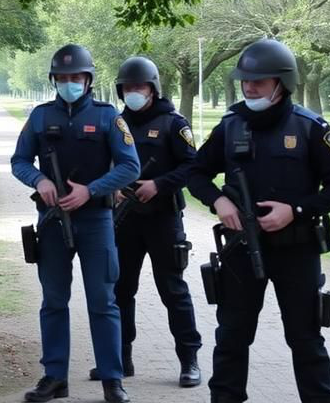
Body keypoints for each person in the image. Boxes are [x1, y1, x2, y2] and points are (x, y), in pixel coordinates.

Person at [186, 38, 330, 403]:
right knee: (231, 337)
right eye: (245, 81)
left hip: (297, 250)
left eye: (258, 81)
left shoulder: (310, 127)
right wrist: (218, 201)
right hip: (240, 249)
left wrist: (295, 211)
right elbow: (195, 173)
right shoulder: (230, 126)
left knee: (306, 340)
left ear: (282, 82)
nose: (249, 87)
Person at [11, 44, 141, 403]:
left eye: (76, 77)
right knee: (54, 301)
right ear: (54, 80)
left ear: (88, 80)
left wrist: (91, 190)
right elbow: (19, 160)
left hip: (96, 220)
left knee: (103, 302)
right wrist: (39, 180)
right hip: (52, 221)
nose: (69, 83)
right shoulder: (40, 116)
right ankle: (55, 377)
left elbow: (131, 166)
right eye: (63, 77)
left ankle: (112, 380)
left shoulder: (108, 116)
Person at [88, 56, 202, 387]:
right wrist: (113, 189)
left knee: (173, 290)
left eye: (139, 86)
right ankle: (120, 359)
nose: (134, 92)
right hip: (125, 218)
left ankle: (189, 361)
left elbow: (192, 166)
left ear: (153, 88)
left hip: (163, 218)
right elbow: (103, 164)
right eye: (128, 87)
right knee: (121, 290)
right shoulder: (115, 122)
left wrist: (159, 185)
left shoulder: (173, 123)